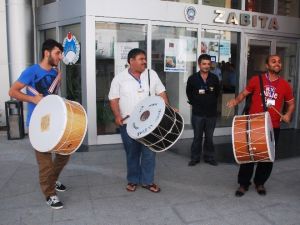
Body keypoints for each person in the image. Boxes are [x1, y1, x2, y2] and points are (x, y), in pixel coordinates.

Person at [9, 39, 69, 209]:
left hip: (55, 121)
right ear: (47, 53)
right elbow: (12, 91)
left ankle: (53, 179)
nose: (60, 57)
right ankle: (50, 194)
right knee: (45, 163)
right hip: (38, 123)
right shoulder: (31, 72)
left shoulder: (56, 72)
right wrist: (32, 98)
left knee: (65, 153)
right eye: (58, 53)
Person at [227, 54, 295, 197]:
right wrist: (235, 101)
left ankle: (260, 182)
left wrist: (288, 114)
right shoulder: (256, 80)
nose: (277, 63)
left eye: (279, 62)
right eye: (274, 61)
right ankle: (243, 184)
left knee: (267, 156)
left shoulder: (285, 85)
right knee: (249, 153)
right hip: (254, 123)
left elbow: (291, 103)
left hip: (273, 125)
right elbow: (243, 94)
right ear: (267, 65)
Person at [109, 48, 170, 193]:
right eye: (141, 59)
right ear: (131, 61)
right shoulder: (119, 78)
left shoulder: (152, 74)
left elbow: (161, 93)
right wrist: (117, 116)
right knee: (132, 153)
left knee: (149, 152)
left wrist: (167, 111)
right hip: (128, 123)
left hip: (150, 123)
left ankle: (148, 181)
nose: (145, 61)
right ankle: (133, 180)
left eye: (145, 59)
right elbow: (113, 99)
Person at [186, 54, 220, 166]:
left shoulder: (214, 78)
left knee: (209, 138)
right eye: (204, 64)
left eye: (208, 64)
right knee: (197, 137)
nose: (206, 66)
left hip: (211, 114)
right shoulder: (192, 78)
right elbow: (189, 93)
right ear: (199, 64)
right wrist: (195, 103)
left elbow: (217, 93)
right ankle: (195, 158)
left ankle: (209, 157)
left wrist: (210, 102)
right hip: (198, 114)